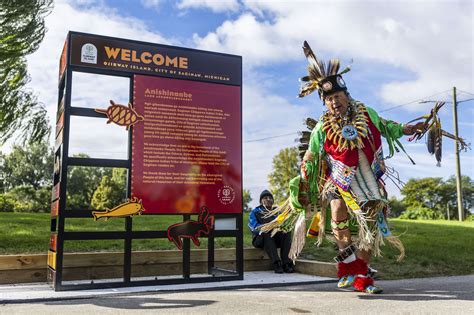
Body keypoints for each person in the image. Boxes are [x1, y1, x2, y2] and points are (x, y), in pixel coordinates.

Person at [259, 41, 426, 293]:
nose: (334, 102)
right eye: (328, 99)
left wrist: (406, 129)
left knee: (370, 225)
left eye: (337, 96)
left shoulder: (366, 112)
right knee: (337, 210)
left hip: (368, 178)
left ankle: (361, 271)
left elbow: (387, 126)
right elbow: (312, 154)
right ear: (324, 103)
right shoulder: (322, 126)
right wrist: (305, 174)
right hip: (339, 179)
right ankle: (348, 267)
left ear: (346, 96)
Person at [248, 190, 294, 273]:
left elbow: (284, 223)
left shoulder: (277, 211)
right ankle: (276, 263)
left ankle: (286, 263)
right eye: (265, 198)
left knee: (286, 231)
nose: (268, 199)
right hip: (260, 239)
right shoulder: (255, 212)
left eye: (270, 198)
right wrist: (268, 227)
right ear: (261, 201)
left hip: (275, 238)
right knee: (266, 232)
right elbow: (253, 227)